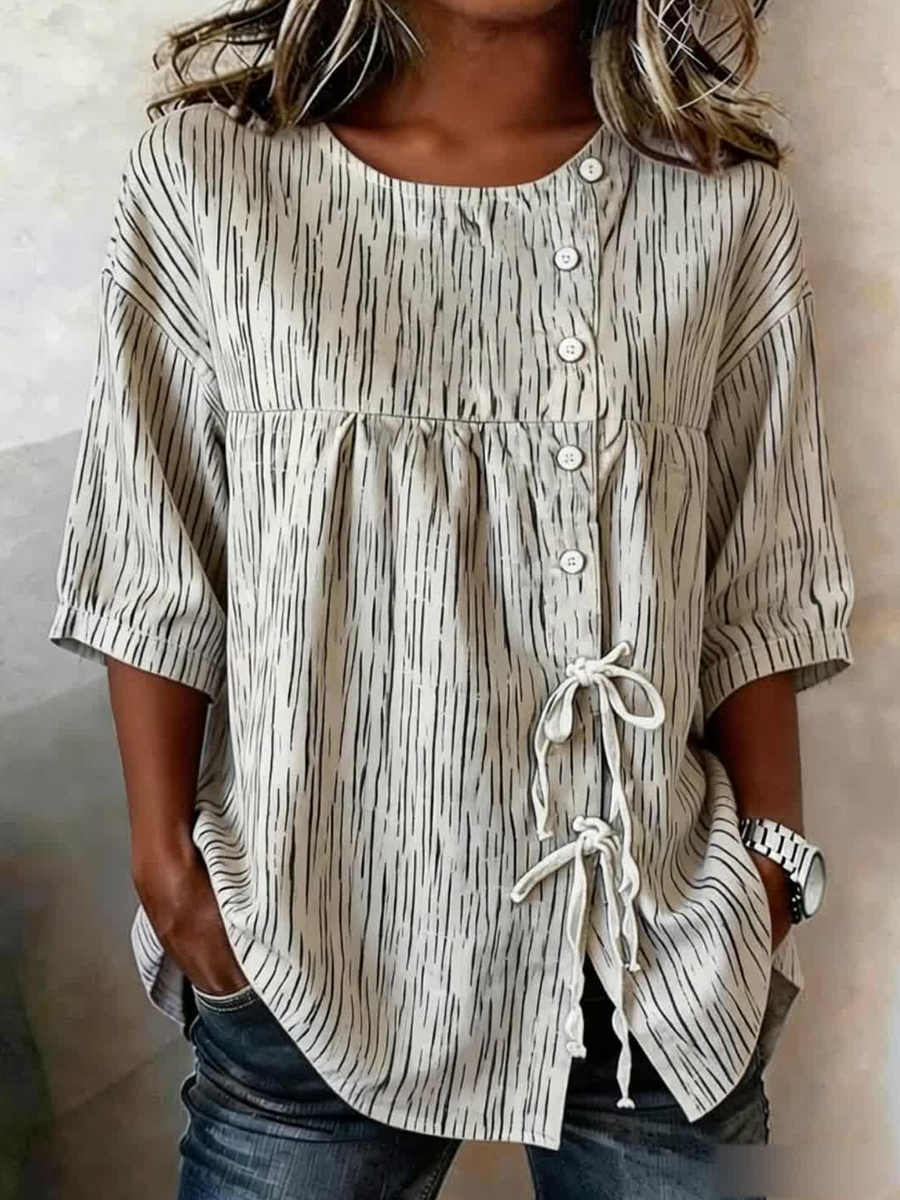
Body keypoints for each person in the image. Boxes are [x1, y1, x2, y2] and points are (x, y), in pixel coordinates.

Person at [47, 1, 856, 1197]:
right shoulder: (210, 177)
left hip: (653, 966)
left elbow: (761, 570)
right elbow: (150, 543)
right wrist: (171, 875)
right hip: (308, 948)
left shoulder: (719, 201)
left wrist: (769, 873)